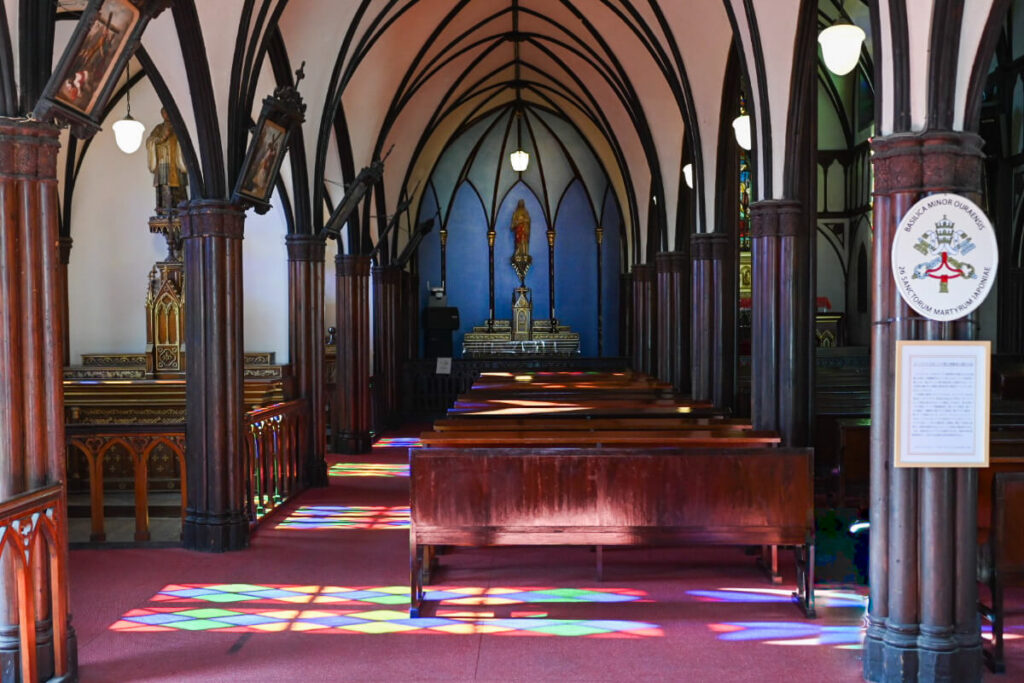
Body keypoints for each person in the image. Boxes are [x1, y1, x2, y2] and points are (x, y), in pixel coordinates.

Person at [145, 108, 188, 212]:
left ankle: (181, 211)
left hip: (176, 164)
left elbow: (186, 143)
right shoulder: (159, 128)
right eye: (164, 113)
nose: (167, 115)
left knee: (179, 190)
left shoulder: (178, 127)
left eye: (168, 112)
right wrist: (161, 138)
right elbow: (149, 141)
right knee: (164, 189)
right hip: (163, 164)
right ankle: (164, 211)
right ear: (162, 114)